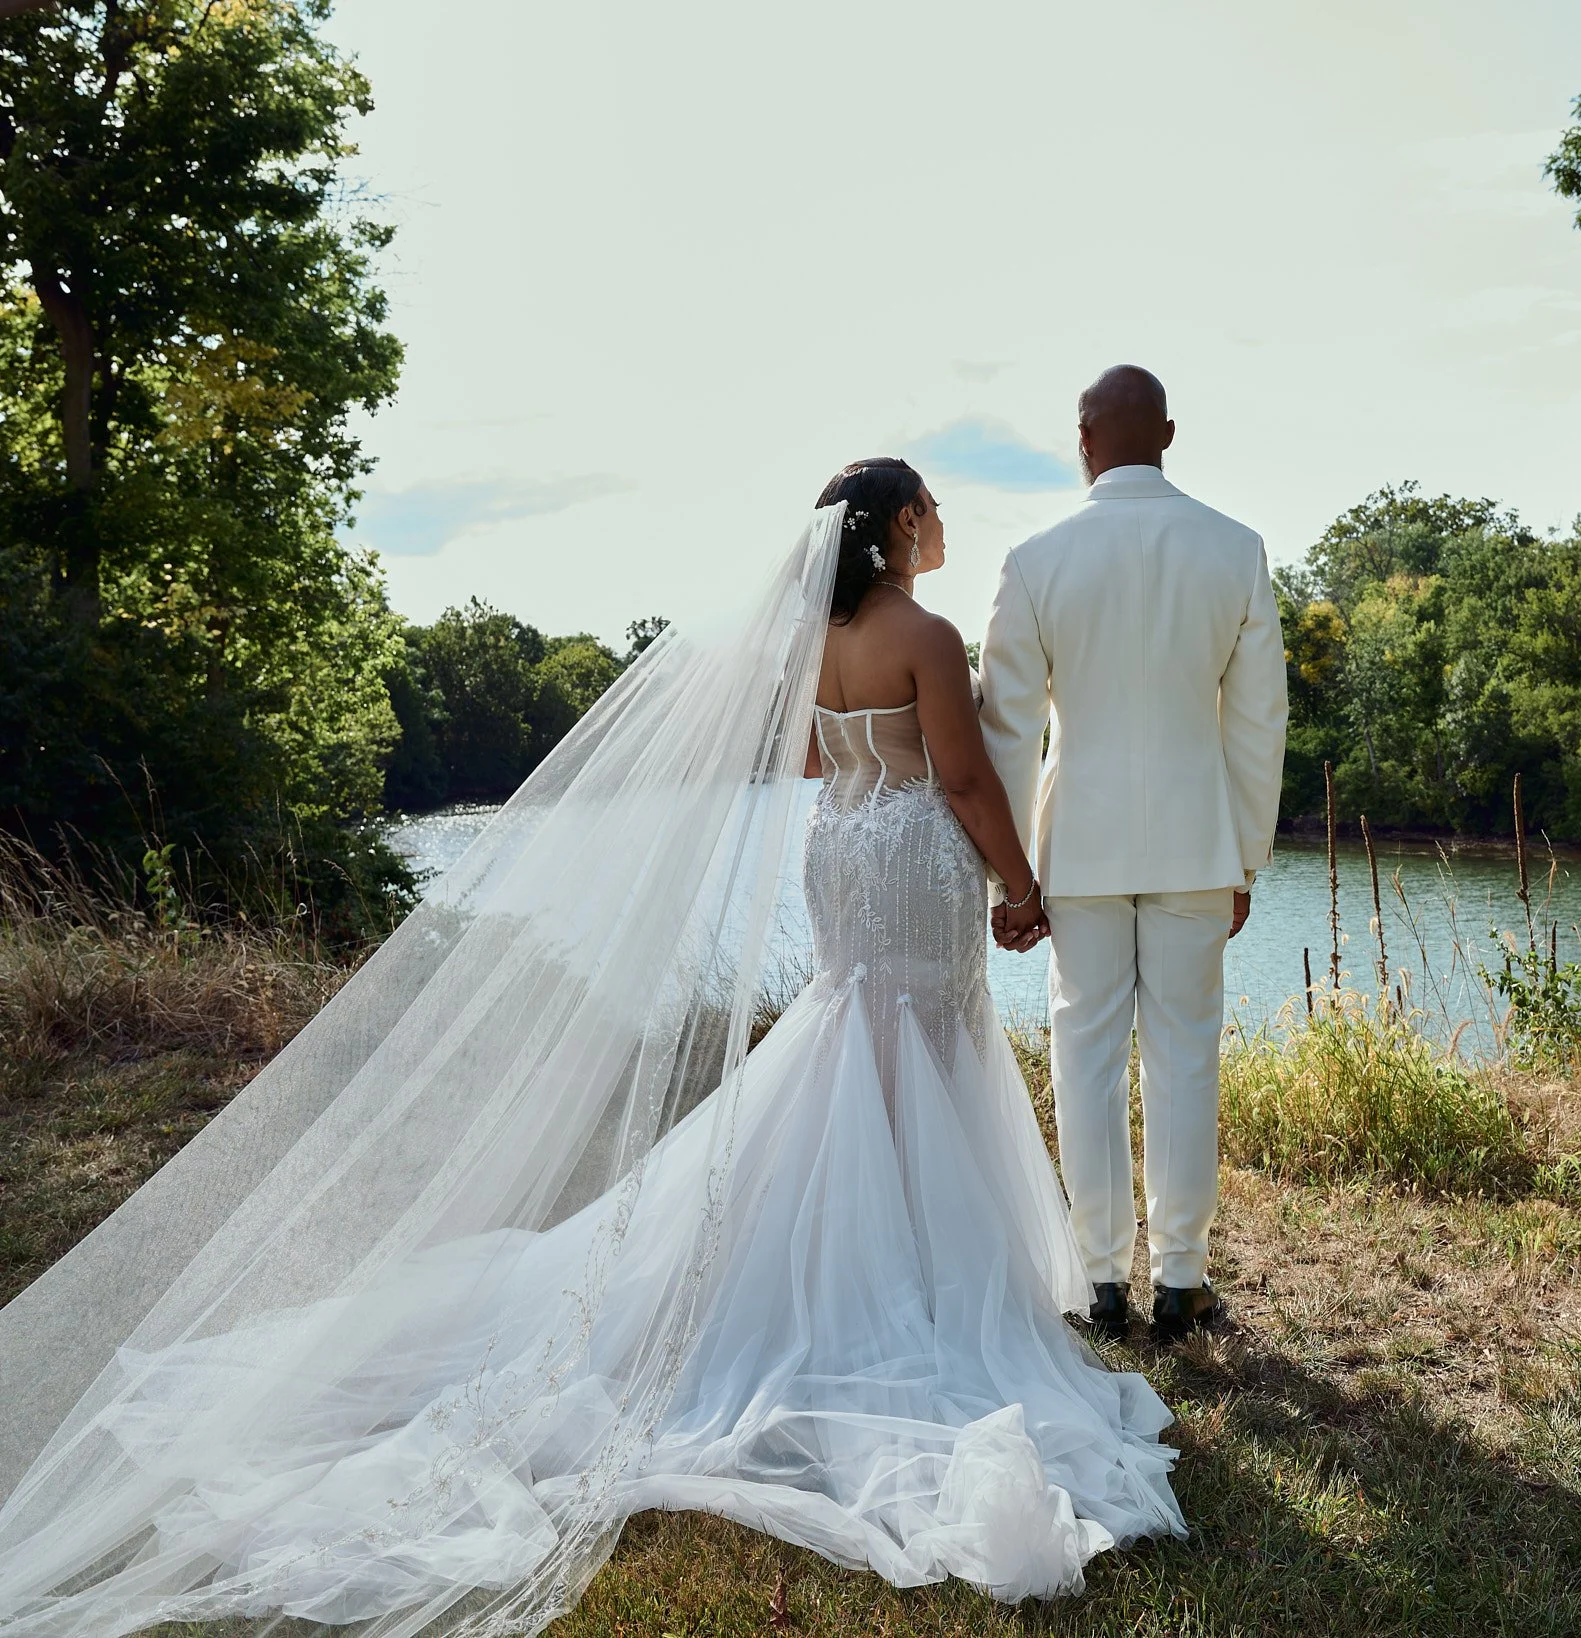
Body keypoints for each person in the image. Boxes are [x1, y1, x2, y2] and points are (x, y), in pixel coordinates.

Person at [0, 460, 1183, 1632]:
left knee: (851, 1038)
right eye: (931, 509)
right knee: (918, 1048)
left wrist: (883, 785)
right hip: (915, 854)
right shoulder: (919, 632)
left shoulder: (811, 639)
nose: (942, 525)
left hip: (840, 852)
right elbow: (967, 774)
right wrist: (1018, 887)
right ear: (899, 526)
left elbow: (814, 761)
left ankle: (846, 1254)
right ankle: (916, 1272)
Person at [981, 366, 1289, 1345]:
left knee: (1084, 1059)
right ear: (1167, 432)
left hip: (1078, 849)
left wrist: (1009, 878)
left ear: (1080, 439)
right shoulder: (1233, 550)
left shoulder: (1035, 563)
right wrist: (1241, 854)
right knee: (1185, 1059)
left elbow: (1005, 731)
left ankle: (1102, 1278)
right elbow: (1258, 723)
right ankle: (1181, 1279)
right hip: (1196, 841)